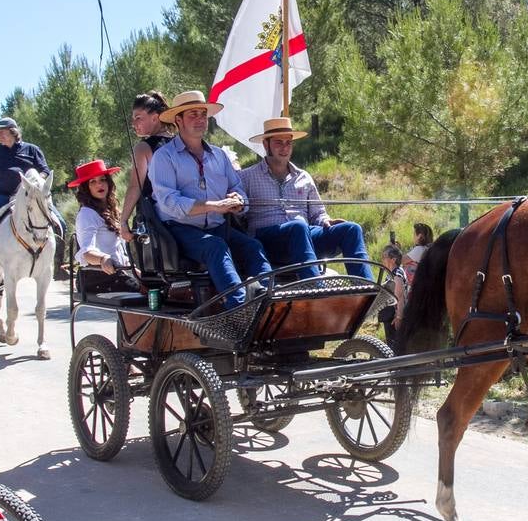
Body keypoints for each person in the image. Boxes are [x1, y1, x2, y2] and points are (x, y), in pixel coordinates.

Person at [149, 91, 271, 308]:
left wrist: (239, 201)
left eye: (203, 114)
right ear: (178, 120)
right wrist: (213, 206)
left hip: (217, 226)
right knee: (216, 247)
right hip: (179, 230)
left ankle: (267, 298)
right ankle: (238, 308)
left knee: (252, 246)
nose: (200, 119)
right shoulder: (164, 157)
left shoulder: (219, 155)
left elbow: (236, 187)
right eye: (193, 114)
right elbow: (170, 202)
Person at [239, 117, 372, 281]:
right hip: (269, 240)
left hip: (304, 236)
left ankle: (366, 287)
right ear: (266, 145)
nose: (284, 148)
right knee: (298, 227)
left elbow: (318, 213)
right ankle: (314, 286)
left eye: (288, 142)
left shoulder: (304, 177)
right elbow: (238, 213)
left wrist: (326, 221)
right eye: (278, 143)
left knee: (351, 229)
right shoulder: (246, 177)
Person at [0, 117, 64, 262]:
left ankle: (59, 260)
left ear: (13, 132)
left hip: (32, 196)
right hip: (4, 196)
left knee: (60, 222)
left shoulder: (32, 149)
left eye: (3, 131)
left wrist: (36, 179)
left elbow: (45, 170)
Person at [70, 159, 142, 295]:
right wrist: (103, 258)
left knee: (157, 286)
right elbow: (86, 252)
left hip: (115, 272)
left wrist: (137, 273)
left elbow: (118, 253)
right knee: (148, 294)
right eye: (93, 182)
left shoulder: (111, 211)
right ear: (86, 187)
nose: (99, 184)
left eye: (102, 179)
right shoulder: (87, 214)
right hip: (96, 276)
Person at [119, 90, 173, 241]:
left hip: (157, 223)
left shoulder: (143, 148)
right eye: (133, 119)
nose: (133, 124)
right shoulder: (179, 142)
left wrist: (123, 221)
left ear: (155, 118)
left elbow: (135, 186)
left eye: (138, 118)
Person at [377, 244, 408, 349]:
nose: (382, 260)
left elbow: (399, 296)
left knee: (395, 348)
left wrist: (399, 317)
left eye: (384, 257)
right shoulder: (393, 273)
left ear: (393, 259)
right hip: (391, 316)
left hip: (394, 317)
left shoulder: (397, 274)